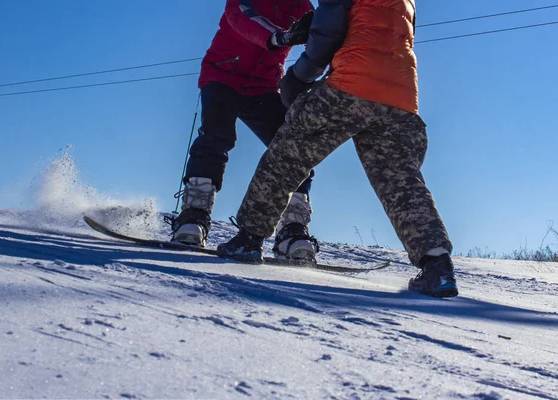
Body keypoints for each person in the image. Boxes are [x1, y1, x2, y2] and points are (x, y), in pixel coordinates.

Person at [216, 0, 459, 298]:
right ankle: (437, 265)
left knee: (287, 155)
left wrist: (296, 78)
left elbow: (327, 34)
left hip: (351, 85)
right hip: (403, 97)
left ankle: (249, 238)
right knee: (401, 183)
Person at [167, 0, 319, 262]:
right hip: (223, 75)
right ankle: (194, 215)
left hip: (265, 86)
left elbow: (324, 36)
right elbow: (241, 17)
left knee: (294, 148)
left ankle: (292, 229)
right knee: (217, 137)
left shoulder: (302, 5)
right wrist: (278, 37)